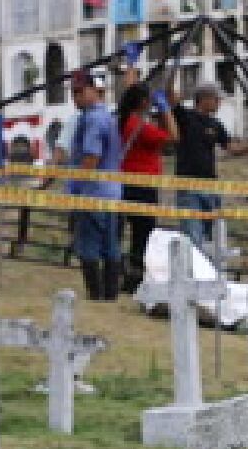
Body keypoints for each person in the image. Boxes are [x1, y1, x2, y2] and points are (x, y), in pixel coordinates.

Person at [65, 70, 125, 301]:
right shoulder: (107, 117)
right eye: (73, 93)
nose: (76, 98)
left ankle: (96, 293)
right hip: (112, 192)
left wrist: (76, 187)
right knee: (111, 245)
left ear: (93, 90)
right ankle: (110, 295)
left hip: (92, 193)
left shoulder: (92, 118)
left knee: (89, 246)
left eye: (80, 92)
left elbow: (91, 157)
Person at [114, 80, 178, 293]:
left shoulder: (126, 121)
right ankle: (134, 278)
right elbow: (173, 137)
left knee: (136, 233)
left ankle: (130, 274)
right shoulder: (139, 125)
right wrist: (166, 111)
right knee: (144, 234)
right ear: (143, 102)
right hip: (142, 184)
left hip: (129, 181)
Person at [172, 82, 231, 251]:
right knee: (193, 237)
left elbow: (231, 147)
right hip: (188, 186)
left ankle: (207, 273)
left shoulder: (216, 125)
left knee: (211, 236)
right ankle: (193, 275)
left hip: (210, 186)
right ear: (204, 99)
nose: (219, 102)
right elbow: (171, 95)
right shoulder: (185, 117)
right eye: (216, 99)